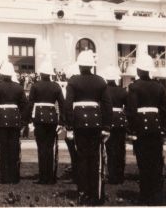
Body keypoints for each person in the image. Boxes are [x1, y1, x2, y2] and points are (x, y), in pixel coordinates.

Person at [65, 50, 112, 205]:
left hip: (79, 123)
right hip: (96, 123)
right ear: (92, 66)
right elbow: (107, 105)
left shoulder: (73, 82)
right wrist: (107, 127)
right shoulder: (100, 81)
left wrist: (69, 127)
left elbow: (68, 105)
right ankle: (95, 193)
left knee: (82, 159)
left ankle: (83, 192)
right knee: (95, 159)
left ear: (79, 66)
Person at [126, 53, 166, 205]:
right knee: (156, 161)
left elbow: (131, 110)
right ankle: (155, 193)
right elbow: (164, 110)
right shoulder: (159, 87)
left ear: (139, 70)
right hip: (156, 128)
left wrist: (131, 130)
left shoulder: (134, 87)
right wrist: (164, 129)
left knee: (143, 162)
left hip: (141, 128)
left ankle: (145, 194)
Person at [28, 59, 65, 185]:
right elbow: (62, 104)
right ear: (50, 74)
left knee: (41, 148)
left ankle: (43, 176)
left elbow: (30, 104)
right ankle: (49, 176)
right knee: (49, 148)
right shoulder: (56, 86)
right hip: (52, 118)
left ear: (41, 73)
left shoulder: (35, 85)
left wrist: (28, 120)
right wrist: (61, 122)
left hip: (39, 117)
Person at [0, 62, 28, 184]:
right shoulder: (19, 87)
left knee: (3, 150)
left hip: (2, 120)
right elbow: (25, 105)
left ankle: (5, 177)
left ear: (2, 74)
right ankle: (14, 177)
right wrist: (22, 121)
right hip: (15, 121)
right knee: (14, 149)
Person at [103, 66, 128, 185]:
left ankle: (112, 175)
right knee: (120, 149)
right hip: (120, 121)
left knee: (110, 149)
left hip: (108, 120)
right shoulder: (123, 91)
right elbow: (127, 107)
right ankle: (120, 175)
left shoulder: (104, 90)